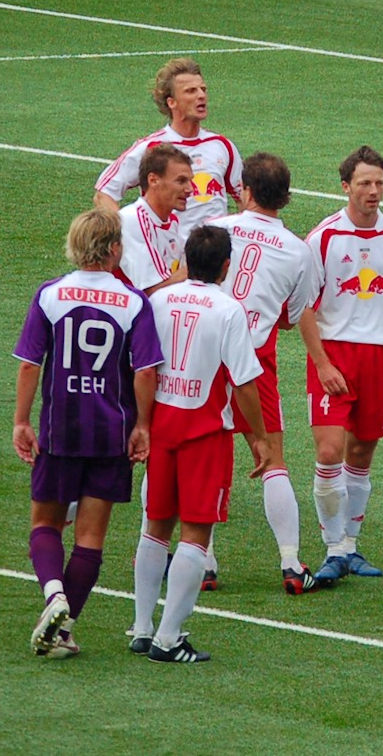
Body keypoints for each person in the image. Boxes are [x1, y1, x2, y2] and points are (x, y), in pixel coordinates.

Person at [13, 208, 164, 658]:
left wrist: (22, 421)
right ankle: (63, 629)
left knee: (44, 523)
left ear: (74, 247)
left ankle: (53, 594)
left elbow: (28, 364)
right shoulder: (134, 302)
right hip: (109, 434)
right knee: (90, 538)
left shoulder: (50, 295)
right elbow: (144, 372)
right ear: (116, 249)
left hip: (61, 429)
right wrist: (142, 425)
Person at [129, 227, 271, 663]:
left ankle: (141, 627)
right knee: (195, 531)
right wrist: (260, 437)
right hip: (205, 431)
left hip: (163, 424)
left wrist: (142, 423)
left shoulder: (158, 300)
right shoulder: (229, 310)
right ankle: (169, 638)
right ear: (227, 266)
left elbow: (144, 367)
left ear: (186, 261)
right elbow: (245, 382)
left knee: (156, 525)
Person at [300, 146, 383, 582]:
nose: (373, 191)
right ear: (345, 187)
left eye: (379, 183)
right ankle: (333, 547)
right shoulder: (322, 238)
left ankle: (350, 546)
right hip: (334, 354)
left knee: (361, 453)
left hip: (379, 356)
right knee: (328, 451)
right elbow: (302, 307)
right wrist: (321, 365)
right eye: (364, 183)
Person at [209, 153, 326, 594]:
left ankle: (203, 562)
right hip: (256, 358)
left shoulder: (215, 228)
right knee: (272, 458)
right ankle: (292, 565)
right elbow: (293, 317)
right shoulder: (300, 250)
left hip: (205, 354)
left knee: (204, 452)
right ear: (287, 197)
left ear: (246, 192)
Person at [96, 57, 241, 235]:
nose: (201, 95)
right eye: (191, 91)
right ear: (171, 102)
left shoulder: (222, 146)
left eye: (203, 89)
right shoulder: (152, 147)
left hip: (212, 258)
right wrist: (128, 237)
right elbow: (104, 193)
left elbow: (246, 200)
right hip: (168, 256)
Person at [119, 145, 195, 294]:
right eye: (181, 181)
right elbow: (150, 292)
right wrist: (198, 269)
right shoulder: (133, 219)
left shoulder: (171, 221)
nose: (190, 189)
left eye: (190, 181)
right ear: (153, 180)